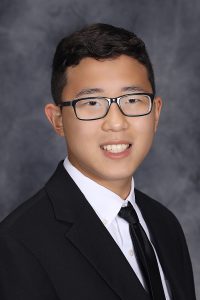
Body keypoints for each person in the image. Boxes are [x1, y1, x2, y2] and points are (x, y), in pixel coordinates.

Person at [0, 23, 196, 300]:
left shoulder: (165, 224)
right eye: (91, 103)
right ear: (57, 120)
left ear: (155, 113)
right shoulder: (17, 244)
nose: (116, 123)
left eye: (132, 99)